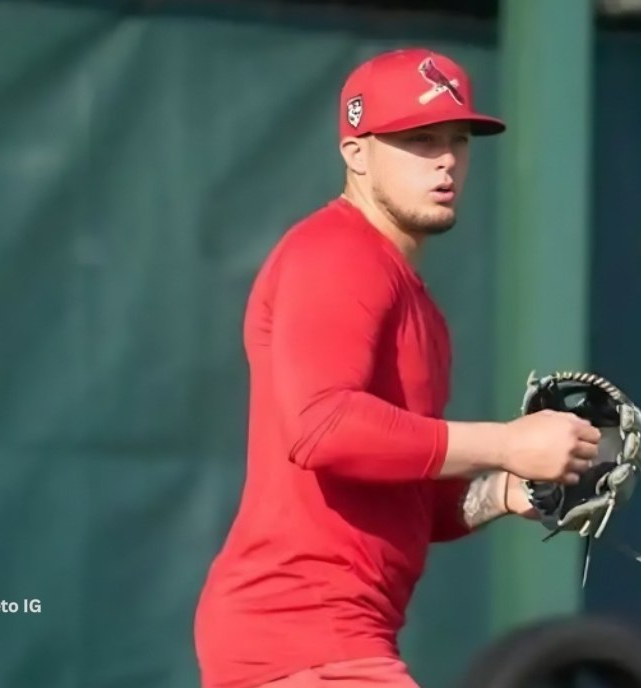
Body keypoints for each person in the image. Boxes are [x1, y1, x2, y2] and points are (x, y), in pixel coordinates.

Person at [194, 47, 602, 688]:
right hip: (298, 632)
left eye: (458, 140)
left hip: (334, 636)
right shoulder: (337, 251)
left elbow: (407, 493)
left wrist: (509, 488)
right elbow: (323, 428)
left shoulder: (416, 304)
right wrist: (507, 442)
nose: (445, 160)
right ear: (356, 152)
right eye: (419, 140)